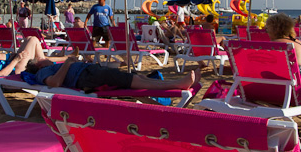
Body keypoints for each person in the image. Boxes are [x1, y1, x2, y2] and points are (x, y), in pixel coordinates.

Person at [22, 54, 197, 93]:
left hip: (89, 72)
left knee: (137, 77)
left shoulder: (49, 67)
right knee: (131, 80)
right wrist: (67, 63)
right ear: (38, 64)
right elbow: (54, 83)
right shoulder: (42, 72)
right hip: (87, 77)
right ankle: (177, 84)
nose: (46, 58)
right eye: (42, 58)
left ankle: (176, 82)